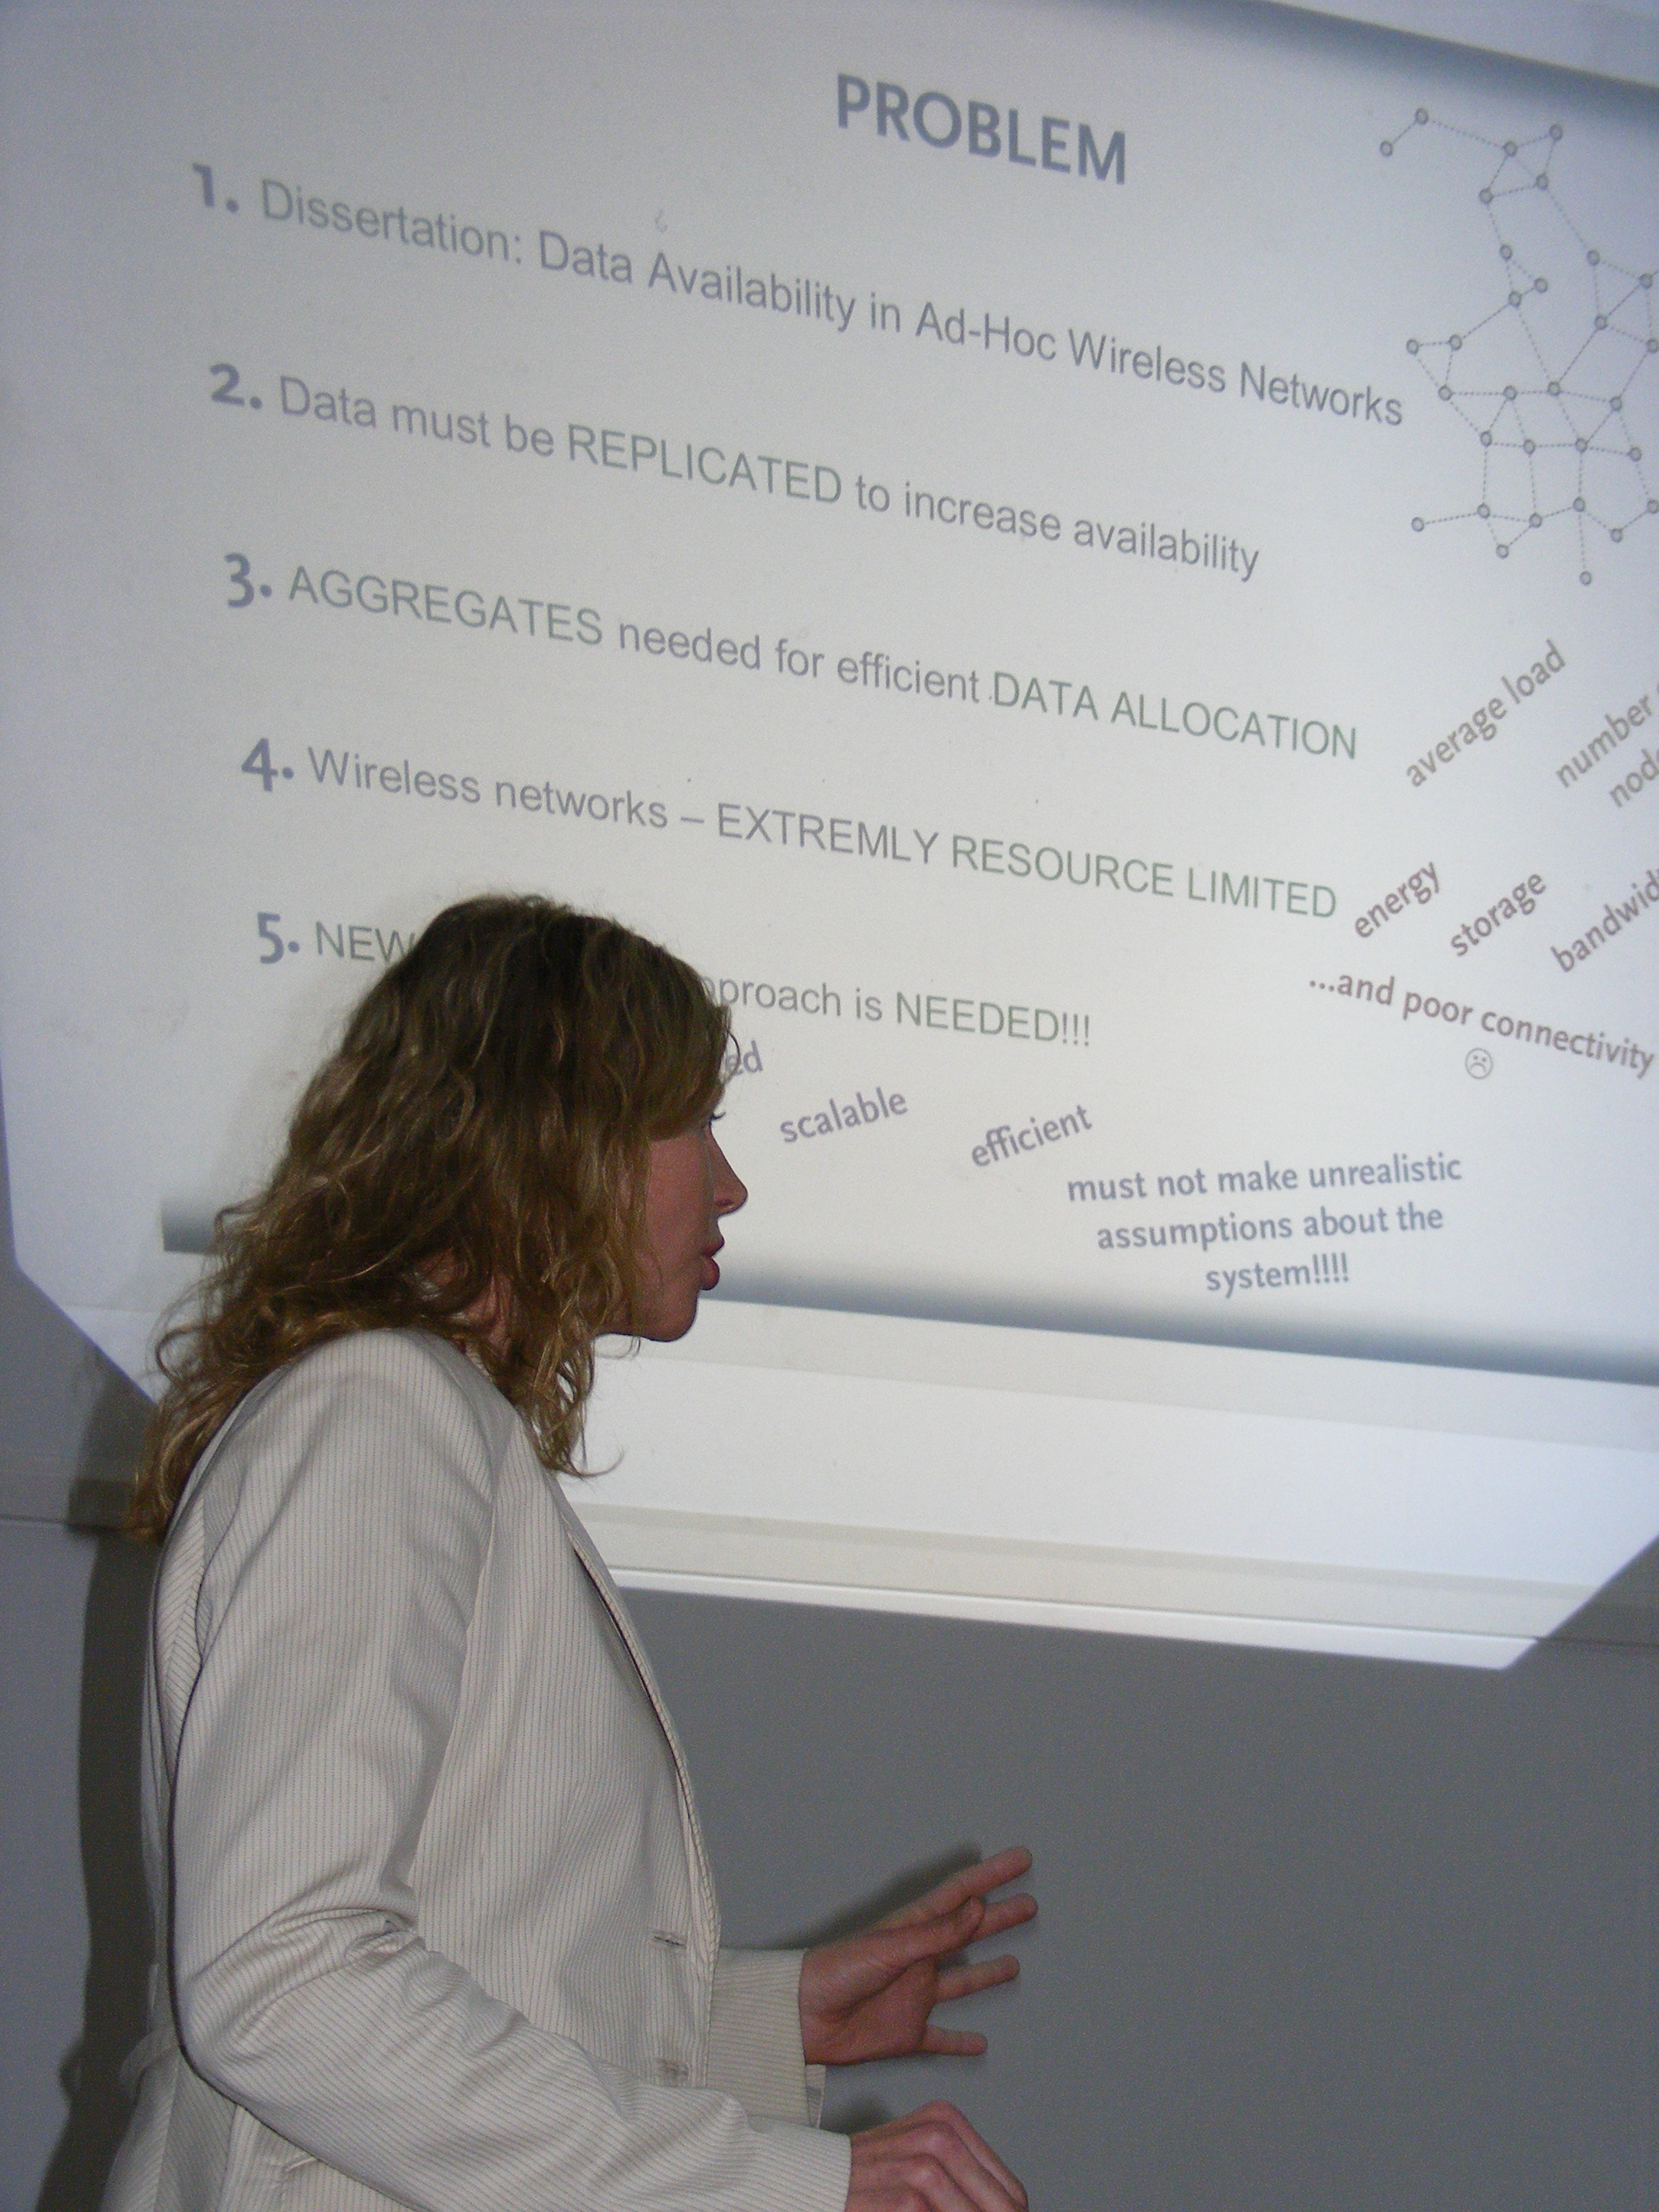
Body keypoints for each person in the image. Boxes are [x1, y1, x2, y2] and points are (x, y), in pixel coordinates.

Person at [107, 894, 1035, 2212]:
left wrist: (767, 2023)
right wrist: (776, 2184)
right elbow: (287, 1983)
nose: (729, 1183)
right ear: (561, 1142)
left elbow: (467, 1961)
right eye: (693, 1123)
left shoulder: (422, 1419)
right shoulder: (379, 1413)